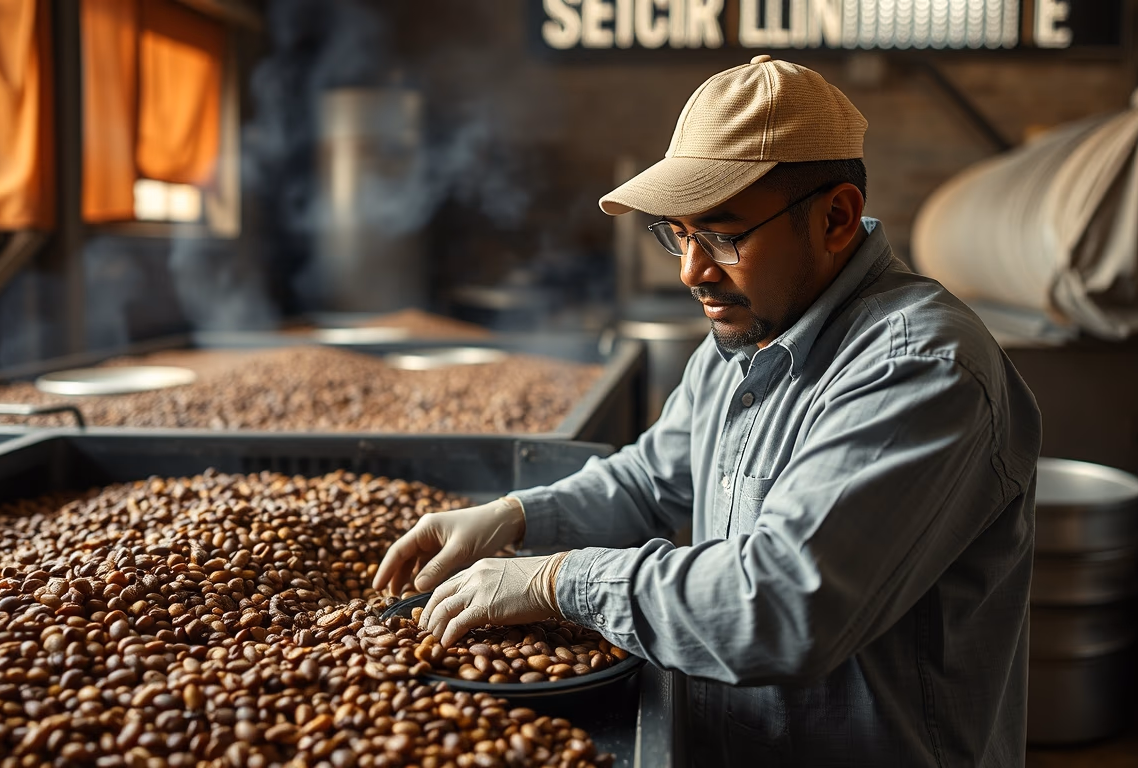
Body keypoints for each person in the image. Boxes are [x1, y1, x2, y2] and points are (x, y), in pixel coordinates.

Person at [373, 56, 1041, 766]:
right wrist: (516, 516)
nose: (691, 270)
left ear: (837, 219)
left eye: (724, 234)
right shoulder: (750, 332)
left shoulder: (917, 367)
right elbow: (651, 479)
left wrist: (556, 579)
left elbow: (782, 606)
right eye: (678, 233)